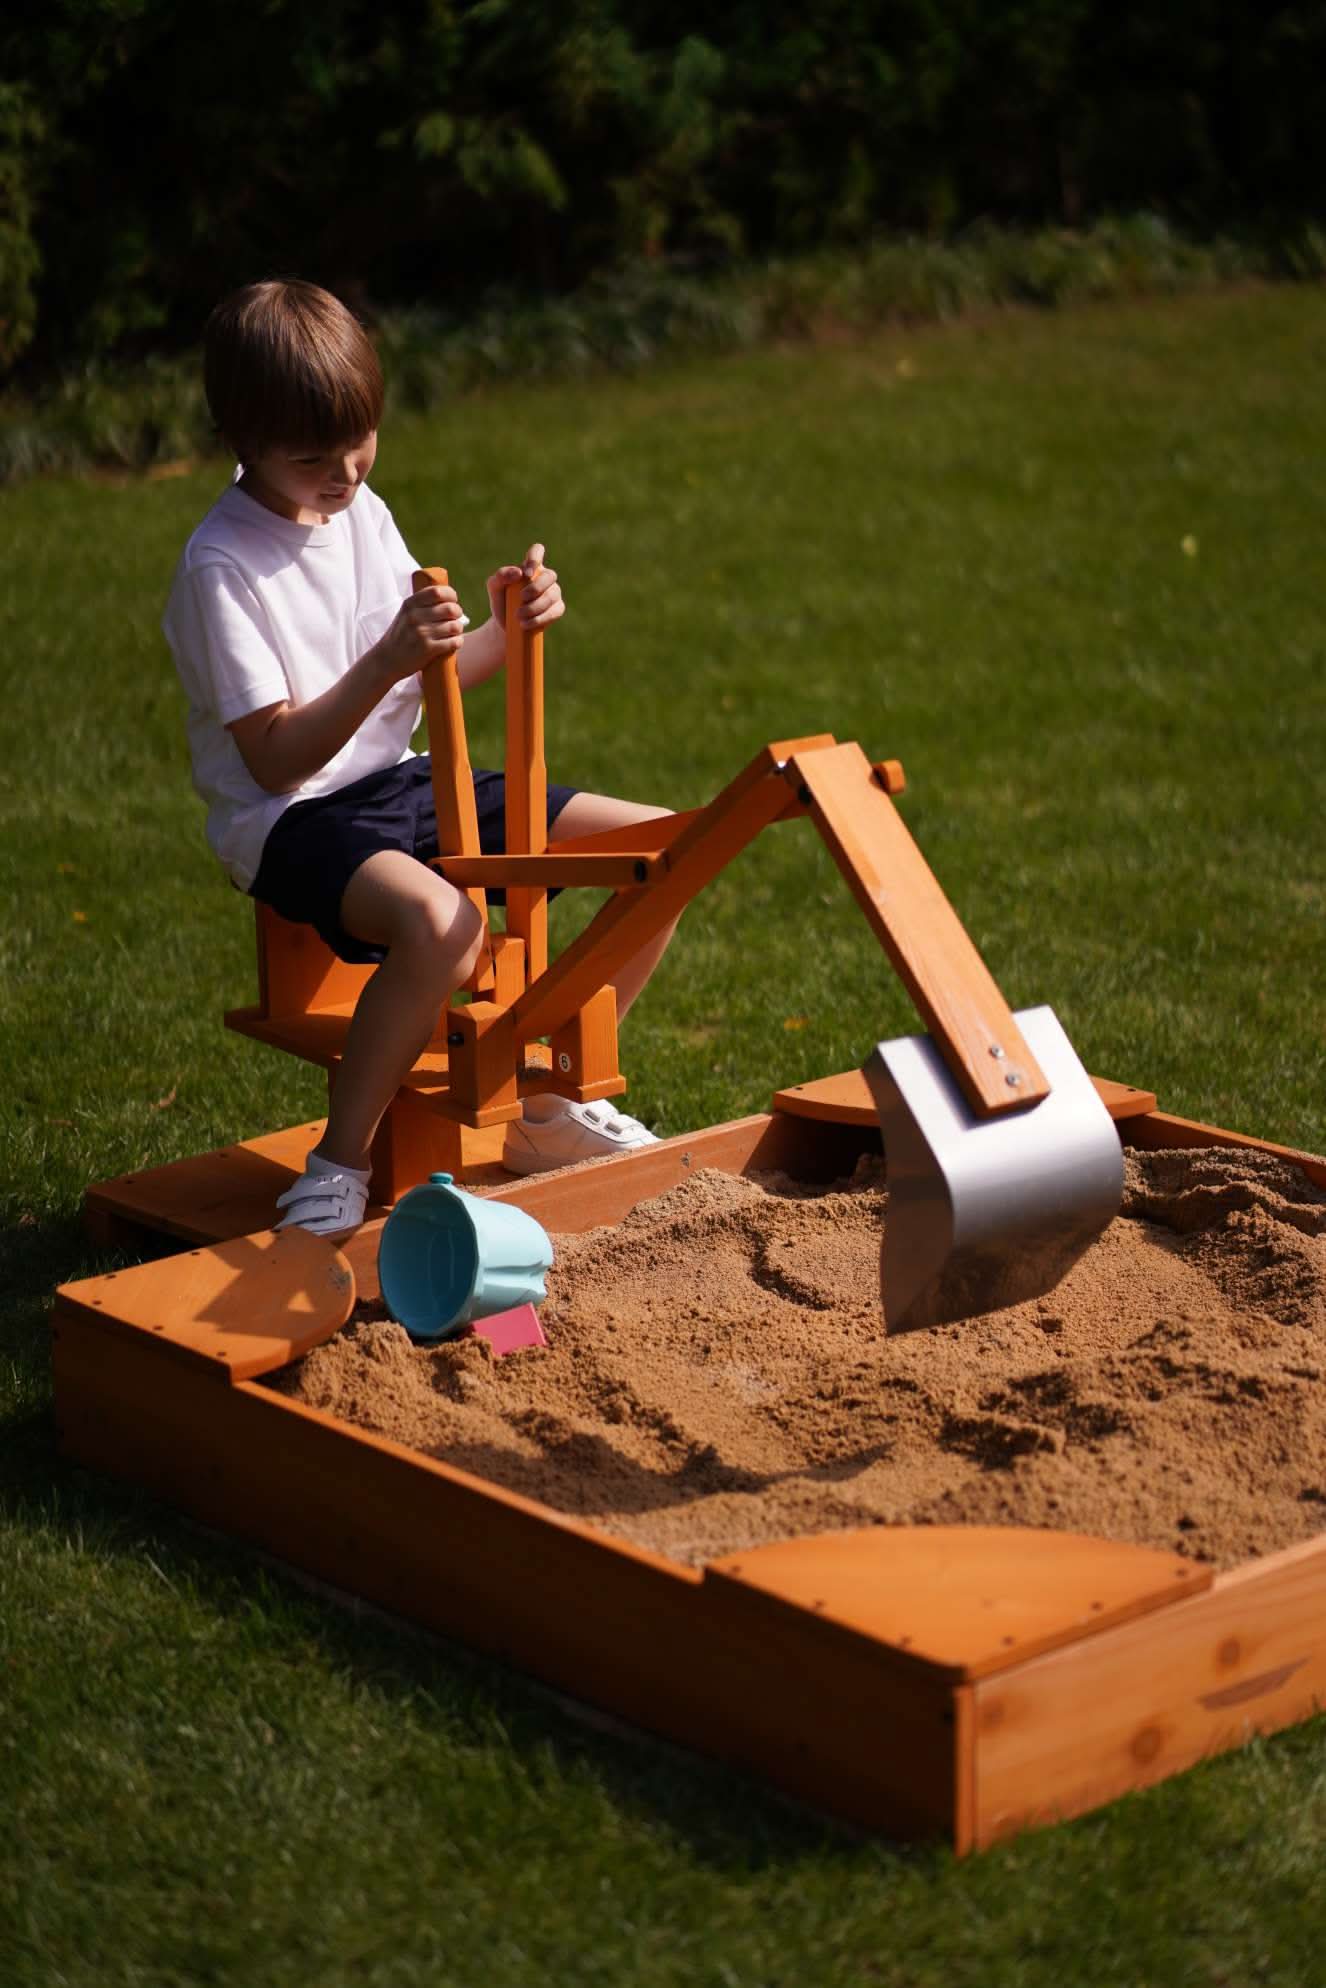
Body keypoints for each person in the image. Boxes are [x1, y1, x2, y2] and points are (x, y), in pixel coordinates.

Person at [164, 277, 674, 1238]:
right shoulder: (221, 565)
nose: (345, 472)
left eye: (361, 439)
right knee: (446, 924)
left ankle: (546, 1101)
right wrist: (385, 659)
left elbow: (431, 672)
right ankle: (339, 1162)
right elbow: (274, 759)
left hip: (400, 780)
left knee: (661, 848)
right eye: (312, 456)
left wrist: (507, 626)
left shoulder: (361, 510)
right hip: (292, 817)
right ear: (240, 437)